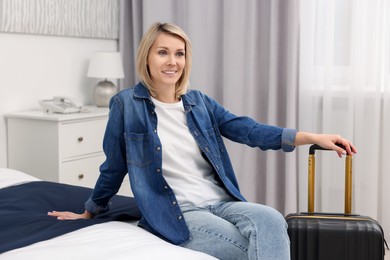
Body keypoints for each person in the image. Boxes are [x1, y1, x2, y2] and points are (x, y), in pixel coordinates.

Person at [48, 22, 357, 260]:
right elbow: (113, 166)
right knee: (245, 249)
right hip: (178, 210)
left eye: (179, 53)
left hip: (222, 202)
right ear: (148, 56)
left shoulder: (199, 103)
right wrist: (91, 209)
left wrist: (311, 137)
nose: (172, 61)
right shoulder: (126, 105)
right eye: (163, 52)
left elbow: (248, 130)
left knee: (272, 221)